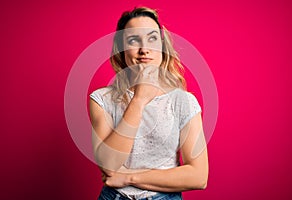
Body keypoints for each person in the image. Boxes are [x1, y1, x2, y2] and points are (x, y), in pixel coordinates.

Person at [89, 7, 208, 200]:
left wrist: (128, 177)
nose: (144, 49)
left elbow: (198, 176)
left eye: (152, 38)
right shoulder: (102, 99)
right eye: (134, 40)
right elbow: (109, 165)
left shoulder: (183, 101)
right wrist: (139, 98)